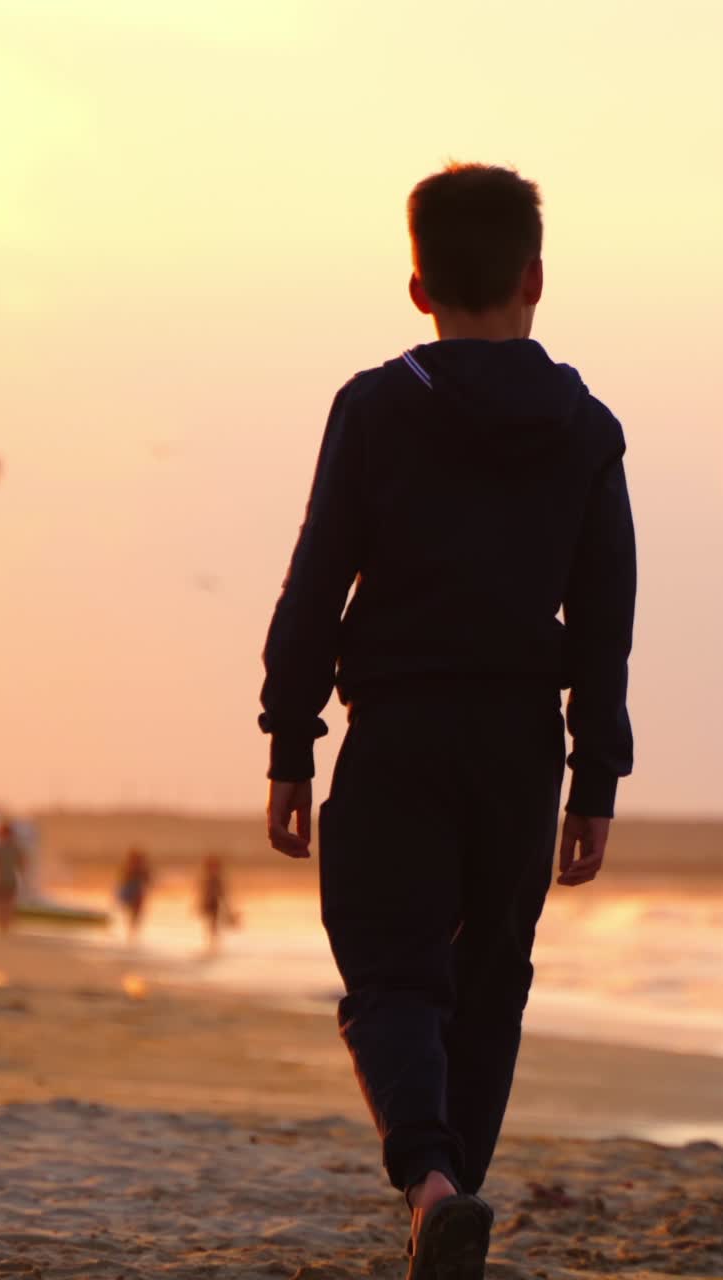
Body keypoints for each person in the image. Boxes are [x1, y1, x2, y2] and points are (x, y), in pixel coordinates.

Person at [258, 163, 635, 1280]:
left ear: (417, 285)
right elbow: (605, 620)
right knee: (488, 983)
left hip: (399, 734)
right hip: (518, 748)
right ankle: (451, 1198)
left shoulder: (375, 407)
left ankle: (429, 1183)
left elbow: (316, 583)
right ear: (534, 277)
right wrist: (593, 777)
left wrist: (289, 737)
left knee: (390, 974)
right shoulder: (585, 428)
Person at [0, 819, 26, 932]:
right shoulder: (16, 847)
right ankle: (5, 924)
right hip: (10, 879)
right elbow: (22, 863)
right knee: (7, 903)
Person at [197, 855, 234, 947]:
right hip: (209, 902)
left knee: (213, 922)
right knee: (211, 922)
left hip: (214, 902)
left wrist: (227, 905)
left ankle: (213, 940)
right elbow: (203, 891)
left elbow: (222, 892)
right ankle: (212, 940)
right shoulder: (208, 878)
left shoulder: (214, 878)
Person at [116, 847, 152, 937]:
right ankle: (131, 933)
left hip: (135, 893)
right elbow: (147, 880)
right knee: (135, 914)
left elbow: (148, 880)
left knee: (135, 915)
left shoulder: (134, 867)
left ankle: (132, 933)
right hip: (133, 893)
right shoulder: (131, 867)